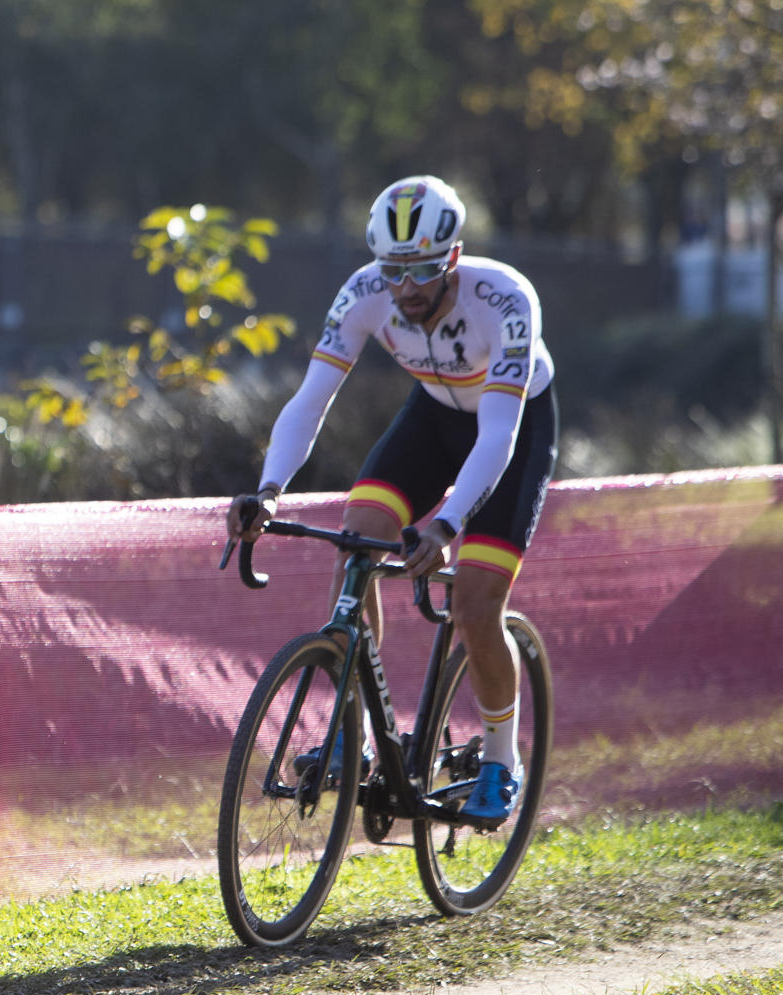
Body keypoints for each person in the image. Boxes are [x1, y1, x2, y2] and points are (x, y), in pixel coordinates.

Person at [227, 175, 557, 824]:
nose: (405, 289)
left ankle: (500, 758)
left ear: (453, 258)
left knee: (476, 602)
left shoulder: (507, 299)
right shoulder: (364, 293)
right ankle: (356, 733)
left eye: (424, 271)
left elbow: (498, 436)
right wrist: (268, 490)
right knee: (357, 537)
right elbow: (310, 401)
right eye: (393, 271)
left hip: (509, 426)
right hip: (432, 417)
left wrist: (448, 524)